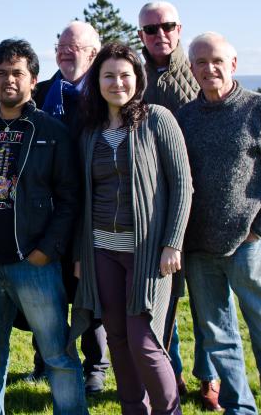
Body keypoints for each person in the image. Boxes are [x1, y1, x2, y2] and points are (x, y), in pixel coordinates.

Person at [0, 39, 87, 415]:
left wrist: (47, 251)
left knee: (57, 352)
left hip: (34, 264)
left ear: (33, 79)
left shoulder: (52, 131)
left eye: (17, 73)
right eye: (1, 73)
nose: (8, 80)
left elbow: (70, 198)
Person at [177, 32, 261, 415]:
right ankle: (238, 407)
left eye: (216, 61)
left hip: (247, 246)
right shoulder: (186, 118)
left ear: (233, 64)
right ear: (191, 69)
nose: (209, 68)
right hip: (199, 249)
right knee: (218, 337)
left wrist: (260, 230)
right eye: (200, 62)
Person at [70, 42, 192, 414]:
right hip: (101, 251)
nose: (117, 82)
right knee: (118, 339)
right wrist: (79, 255)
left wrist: (172, 243)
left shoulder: (157, 119)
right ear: (98, 82)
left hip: (148, 253)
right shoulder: (90, 132)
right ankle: (132, 409)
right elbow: (82, 198)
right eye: (108, 75)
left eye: (125, 75)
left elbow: (182, 184)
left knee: (144, 340)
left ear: (137, 79)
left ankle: (167, 410)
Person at [16, 21, 110, 394]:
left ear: (94, 51)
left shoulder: (104, 94)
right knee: (45, 291)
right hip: (44, 213)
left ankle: (95, 367)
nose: (67, 52)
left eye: (76, 46)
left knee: (89, 290)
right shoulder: (38, 94)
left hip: (91, 210)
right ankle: (45, 359)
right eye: (62, 47)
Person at [137, 0, 218, 409]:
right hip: (156, 208)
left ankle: (211, 376)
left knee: (206, 302)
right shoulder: (136, 78)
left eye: (166, 26)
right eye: (150, 29)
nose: (159, 34)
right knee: (164, 299)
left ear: (179, 28)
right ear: (141, 36)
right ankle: (174, 371)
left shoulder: (199, 72)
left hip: (200, 205)